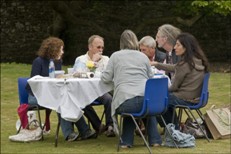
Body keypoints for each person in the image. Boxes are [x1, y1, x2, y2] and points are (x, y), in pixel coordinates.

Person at [26, 37, 96, 141]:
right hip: (36, 95)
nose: (62, 52)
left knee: (70, 100)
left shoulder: (58, 62)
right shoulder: (38, 61)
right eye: (61, 49)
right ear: (53, 49)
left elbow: (56, 79)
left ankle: (84, 131)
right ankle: (71, 133)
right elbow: (34, 83)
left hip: (53, 94)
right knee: (62, 102)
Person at [101, 30, 162, 148]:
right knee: (143, 107)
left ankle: (126, 142)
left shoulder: (115, 56)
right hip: (146, 100)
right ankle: (155, 140)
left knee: (129, 107)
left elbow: (106, 78)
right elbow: (151, 77)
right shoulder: (143, 57)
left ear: (121, 43)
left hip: (126, 101)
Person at [151, 32, 209, 127]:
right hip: (196, 98)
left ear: (186, 47)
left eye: (178, 45)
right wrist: (157, 64)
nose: (174, 48)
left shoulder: (185, 64)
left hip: (185, 98)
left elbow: (173, 87)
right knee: (164, 98)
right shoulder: (196, 60)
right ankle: (174, 126)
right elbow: (175, 67)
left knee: (157, 100)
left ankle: (172, 128)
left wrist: (160, 90)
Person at [73, 35, 115, 137]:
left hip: (101, 90)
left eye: (102, 47)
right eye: (98, 47)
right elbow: (77, 75)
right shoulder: (81, 60)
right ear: (90, 47)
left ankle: (110, 127)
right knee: (81, 101)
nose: (101, 50)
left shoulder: (106, 59)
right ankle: (99, 126)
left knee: (109, 99)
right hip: (85, 91)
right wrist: (92, 62)